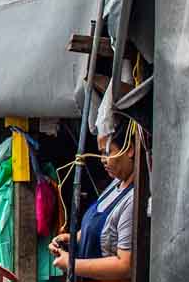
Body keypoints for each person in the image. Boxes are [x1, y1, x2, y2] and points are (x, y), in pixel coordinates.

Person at [50, 114, 139, 282]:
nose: (103, 160)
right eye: (100, 153)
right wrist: (71, 239)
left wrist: (72, 264)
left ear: (129, 149)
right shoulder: (115, 184)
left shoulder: (132, 200)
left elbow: (125, 266)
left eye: (107, 152)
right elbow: (103, 232)